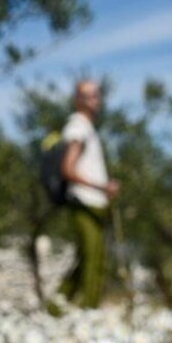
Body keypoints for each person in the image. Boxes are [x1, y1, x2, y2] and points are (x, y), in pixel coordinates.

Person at [58, 79, 120, 308]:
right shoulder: (78, 128)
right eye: (87, 95)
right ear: (77, 100)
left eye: (96, 94)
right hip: (84, 201)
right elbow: (67, 168)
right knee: (93, 260)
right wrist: (102, 186)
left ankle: (56, 308)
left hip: (94, 202)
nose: (94, 100)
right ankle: (88, 313)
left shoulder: (87, 128)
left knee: (88, 258)